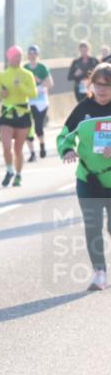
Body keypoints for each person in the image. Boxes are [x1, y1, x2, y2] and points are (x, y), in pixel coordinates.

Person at [57, 62, 111, 291]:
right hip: (88, 178)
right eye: (98, 84)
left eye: (107, 85)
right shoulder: (82, 109)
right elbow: (63, 135)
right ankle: (100, 272)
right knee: (92, 225)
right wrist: (67, 150)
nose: (102, 89)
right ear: (92, 85)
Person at [0, 46, 37, 187]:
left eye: (19, 56)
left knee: (18, 149)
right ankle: (9, 170)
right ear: (9, 58)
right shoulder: (2, 75)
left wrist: (22, 86)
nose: (18, 59)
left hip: (22, 113)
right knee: (6, 146)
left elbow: (33, 94)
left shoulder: (27, 74)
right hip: (7, 113)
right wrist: (2, 94)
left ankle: (18, 175)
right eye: (15, 56)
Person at [25, 45, 54, 162]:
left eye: (34, 53)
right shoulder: (25, 68)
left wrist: (39, 81)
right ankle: (32, 153)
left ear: (37, 55)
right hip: (29, 101)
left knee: (38, 126)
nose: (32, 56)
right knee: (27, 126)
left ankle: (42, 146)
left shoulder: (42, 67)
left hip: (42, 101)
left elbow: (50, 84)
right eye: (30, 53)